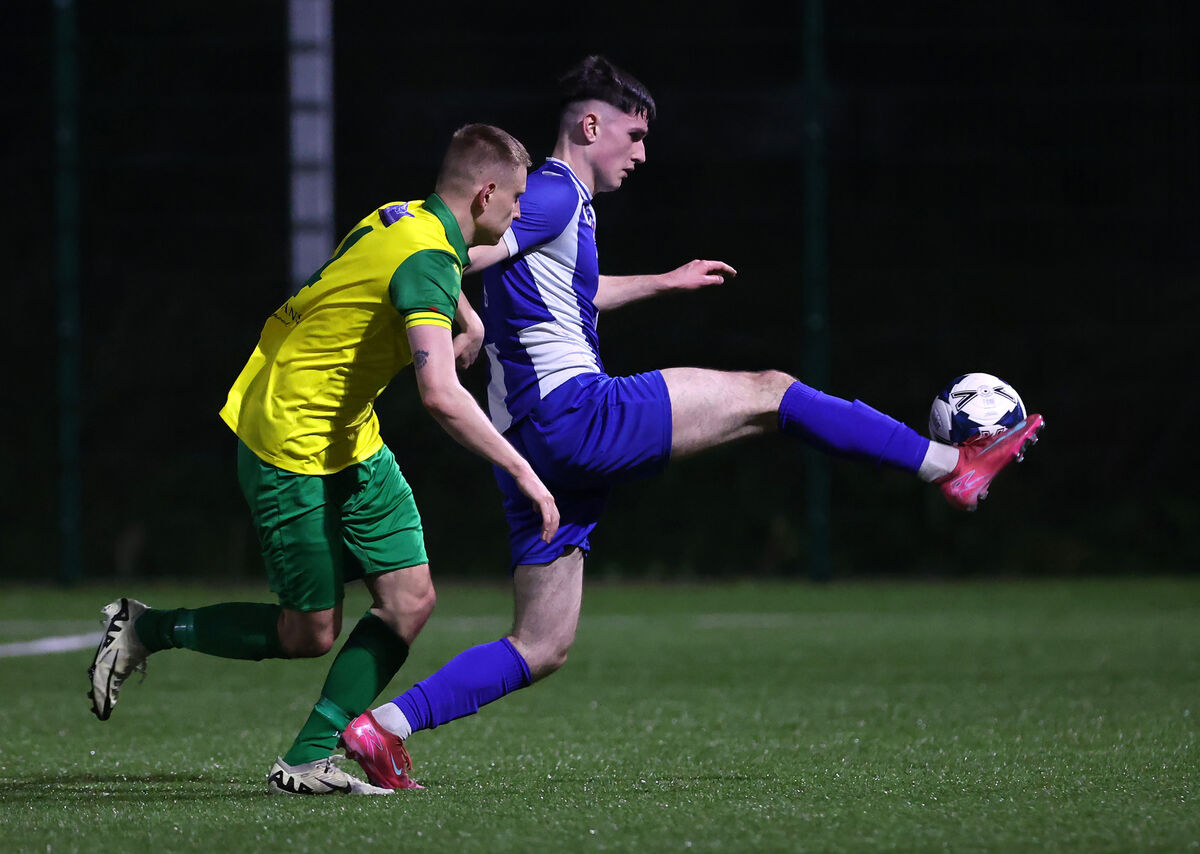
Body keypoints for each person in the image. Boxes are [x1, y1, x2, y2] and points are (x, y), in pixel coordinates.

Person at [339, 55, 1045, 789]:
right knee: (770, 392)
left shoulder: (552, 205)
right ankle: (952, 465)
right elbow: (457, 248)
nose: (642, 153)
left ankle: (383, 728)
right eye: (635, 135)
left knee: (542, 644)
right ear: (591, 126)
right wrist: (433, 258)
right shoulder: (550, 192)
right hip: (574, 414)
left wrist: (663, 282)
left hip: (529, 445)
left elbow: (565, 289)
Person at [86, 123, 560, 796]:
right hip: (290, 439)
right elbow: (439, 394)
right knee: (307, 633)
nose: (517, 211)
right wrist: (523, 470)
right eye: (514, 198)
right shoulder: (427, 258)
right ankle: (144, 629)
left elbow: (427, 262)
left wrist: (471, 320)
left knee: (410, 602)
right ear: (486, 194)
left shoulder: (406, 216)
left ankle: (306, 760)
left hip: (349, 435)